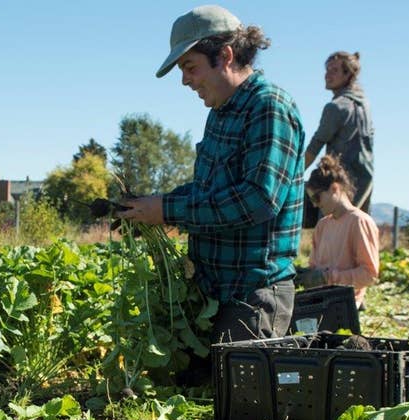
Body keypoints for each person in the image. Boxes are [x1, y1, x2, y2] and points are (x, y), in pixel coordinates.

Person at [119, 5, 305, 345]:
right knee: (188, 390)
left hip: (252, 296)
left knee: (236, 396)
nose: (185, 80)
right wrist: (151, 206)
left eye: (190, 68)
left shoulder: (269, 107)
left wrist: (168, 211)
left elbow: (257, 200)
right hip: (211, 292)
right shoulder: (221, 112)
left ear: (226, 55)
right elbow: (208, 189)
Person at [295, 154, 379, 309]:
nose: (315, 205)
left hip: (346, 307)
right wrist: (303, 275)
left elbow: (369, 275)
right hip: (320, 303)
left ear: (334, 188)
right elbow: (315, 267)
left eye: (317, 198)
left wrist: (328, 277)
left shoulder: (359, 222)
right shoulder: (322, 225)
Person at [303, 51, 374, 228]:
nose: (328, 75)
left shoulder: (336, 107)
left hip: (340, 183)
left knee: (330, 232)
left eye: (334, 70)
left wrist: (293, 174)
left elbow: (315, 145)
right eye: (327, 70)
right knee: (356, 231)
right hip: (365, 179)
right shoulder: (364, 104)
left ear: (348, 74)